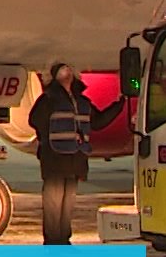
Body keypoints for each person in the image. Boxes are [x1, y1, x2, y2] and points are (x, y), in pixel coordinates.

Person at [29, 62, 113, 245]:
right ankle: (52, 243)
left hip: (75, 161)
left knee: (66, 205)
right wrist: (47, 140)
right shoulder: (49, 100)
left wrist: (118, 105)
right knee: (54, 205)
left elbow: (98, 121)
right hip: (55, 161)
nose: (66, 73)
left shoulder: (82, 102)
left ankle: (63, 241)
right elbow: (35, 120)